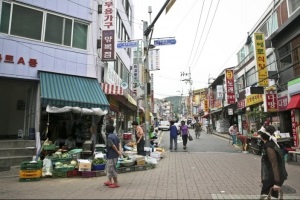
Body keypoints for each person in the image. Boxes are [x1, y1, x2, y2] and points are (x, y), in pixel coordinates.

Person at [258, 125, 288, 199]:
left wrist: (277, 182)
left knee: (264, 196)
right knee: (272, 196)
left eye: (260, 133)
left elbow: (274, 164)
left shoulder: (269, 146)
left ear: (263, 135)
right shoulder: (271, 143)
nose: (259, 135)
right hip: (272, 176)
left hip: (272, 177)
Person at [104, 124, 122, 188]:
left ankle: (116, 183)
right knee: (108, 167)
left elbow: (113, 146)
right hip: (113, 155)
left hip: (112, 155)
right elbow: (119, 143)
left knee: (112, 169)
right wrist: (120, 151)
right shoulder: (115, 136)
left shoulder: (109, 137)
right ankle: (109, 180)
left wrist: (118, 152)